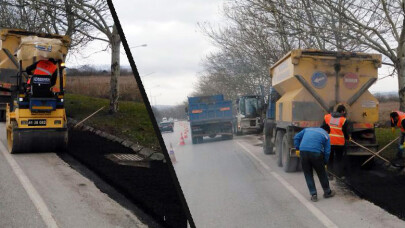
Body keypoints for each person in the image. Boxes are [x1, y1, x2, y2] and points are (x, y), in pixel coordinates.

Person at [294, 125, 335, 202]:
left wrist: (297, 148)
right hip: (316, 153)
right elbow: (327, 151)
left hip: (303, 151)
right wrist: (325, 162)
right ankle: (327, 192)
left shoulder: (307, 129)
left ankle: (313, 195)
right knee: (322, 173)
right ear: (327, 131)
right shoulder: (326, 135)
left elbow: (296, 137)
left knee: (308, 174)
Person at [321, 105, 350, 178]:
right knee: (339, 159)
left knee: (330, 158)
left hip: (329, 142)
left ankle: (329, 175)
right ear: (342, 111)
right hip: (339, 143)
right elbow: (345, 132)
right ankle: (339, 175)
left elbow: (322, 128)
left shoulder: (327, 117)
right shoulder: (343, 120)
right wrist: (348, 138)